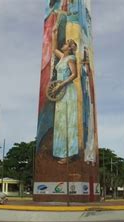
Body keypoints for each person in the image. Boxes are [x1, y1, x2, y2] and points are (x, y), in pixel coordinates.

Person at [51, 22, 79, 165]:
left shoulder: (71, 58)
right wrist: (54, 33)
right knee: (60, 121)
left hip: (67, 90)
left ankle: (69, 154)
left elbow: (74, 75)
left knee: (68, 121)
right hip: (59, 91)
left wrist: (60, 85)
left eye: (66, 43)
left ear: (69, 48)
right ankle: (61, 152)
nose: (63, 44)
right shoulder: (62, 57)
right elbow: (53, 48)